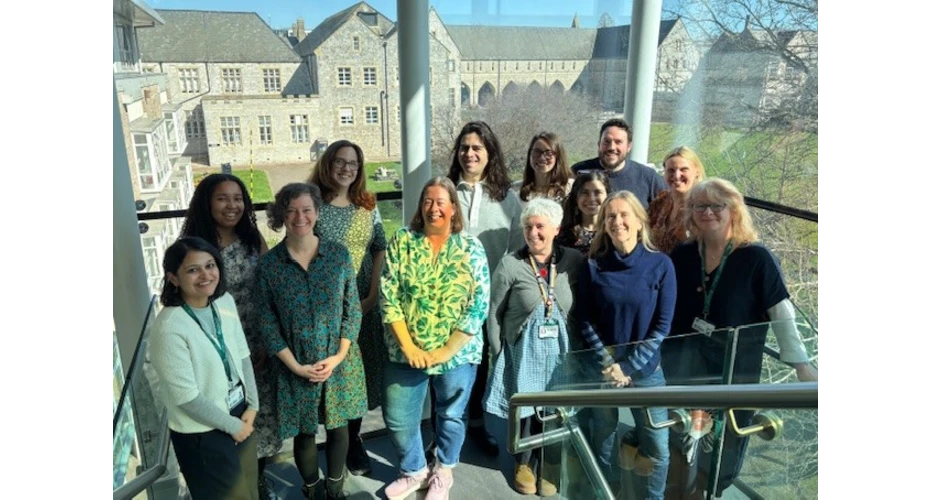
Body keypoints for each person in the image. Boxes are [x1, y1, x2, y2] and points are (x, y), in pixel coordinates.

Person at [665, 178, 818, 498]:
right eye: (699, 206)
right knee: (680, 455)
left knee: (719, 458)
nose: (708, 212)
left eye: (716, 205)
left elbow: (782, 315)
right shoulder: (683, 254)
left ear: (733, 210)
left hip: (734, 376)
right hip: (685, 371)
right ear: (690, 212)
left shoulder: (756, 259)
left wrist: (804, 369)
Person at [380, 176, 490, 500]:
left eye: (441, 202)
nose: (433, 208)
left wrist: (446, 350)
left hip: (456, 354)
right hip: (405, 352)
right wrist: (408, 346)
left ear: (454, 209)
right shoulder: (402, 240)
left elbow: (478, 304)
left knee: (452, 414)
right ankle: (414, 470)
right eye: (428, 201)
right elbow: (389, 297)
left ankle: (443, 471)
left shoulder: (471, 247)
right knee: (399, 417)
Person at [255, 183, 366, 500]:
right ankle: (313, 491)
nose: (299, 217)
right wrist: (295, 366)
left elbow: (352, 309)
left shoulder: (338, 255)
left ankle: (335, 488)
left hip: (337, 360)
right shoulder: (270, 265)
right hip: (294, 364)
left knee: (338, 427)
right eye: (290, 210)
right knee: (303, 432)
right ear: (280, 215)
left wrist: (338, 356)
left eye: (306, 209)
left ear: (317, 213)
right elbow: (267, 320)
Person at [179, 173, 281, 499]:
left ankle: (257, 480)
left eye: (238, 198)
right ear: (207, 202)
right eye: (223, 198)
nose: (232, 205)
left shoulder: (253, 240)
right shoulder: (191, 247)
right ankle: (235, 485)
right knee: (224, 417)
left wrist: (268, 340)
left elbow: (269, 291)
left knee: (259, 417)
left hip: (255, 342)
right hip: (216, 349)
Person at [575, 191, 677, 500]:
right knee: (602, 435)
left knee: (658, 443)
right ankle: (606, 489)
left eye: (623, 215)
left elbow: (662, 326)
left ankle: (653, 497)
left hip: (646, 371)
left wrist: (629, 366)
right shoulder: (594, 266)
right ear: (604, 224)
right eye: (610, 216)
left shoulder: (661, 265)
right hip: (605, 370)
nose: (617, 221)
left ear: (638, 221)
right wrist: (609, 362)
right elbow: (585, 319)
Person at [483, 198, 585, 497]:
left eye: (540, 226)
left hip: (560, 350)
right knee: (525, 409)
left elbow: (582, 304)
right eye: (528, 227)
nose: (533, 232)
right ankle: (524, 463)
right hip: (522, 349)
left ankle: (549, 464)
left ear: (556, 228)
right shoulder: (511, 263)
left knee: (555, 409)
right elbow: (494, 311)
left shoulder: (573, 261)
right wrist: (497, 349)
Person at [146, 237, 259, 500]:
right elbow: (186, 397)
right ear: (174, 278)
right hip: (203, 433)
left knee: (251, 492)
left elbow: (242, 354)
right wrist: (232, 426)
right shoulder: (169, 328)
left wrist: (252, 406)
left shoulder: (224, 301)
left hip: (239, 412)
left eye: (210, 265)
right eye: (193, 270)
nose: (206, 275)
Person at [309, 140, 387, 477]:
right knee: (334, 377)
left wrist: (371, 296)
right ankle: (335, 440)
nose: (346, 168)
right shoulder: (312, 203)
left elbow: (380, 248)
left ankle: (353, 439)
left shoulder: (367, 204)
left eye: (353, 163)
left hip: (364, 302)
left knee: (362, 375)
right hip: (327, 307)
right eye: (340, 162)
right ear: (328, 164)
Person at [447, 120, 523, 455]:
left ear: (490, 153)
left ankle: (476, 423)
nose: (470, 154)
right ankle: (445, 427)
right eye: (464, 147)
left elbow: (517, 250)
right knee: (447, 364)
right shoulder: (444, 191)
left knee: (481, 364)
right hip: (447, 300)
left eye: (477, 147)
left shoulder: (508, 200)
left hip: (490, 299)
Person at [570, 118, 666, 208]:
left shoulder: (648, 178)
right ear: (599, 144)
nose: (611, 147)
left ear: (629, 146)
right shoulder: (579, 171)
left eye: (618, 142)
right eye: (606, 141)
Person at [647, 146, 706, 254]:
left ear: (697, 172)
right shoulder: (661, 200)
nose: (677, 176)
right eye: (671, 170)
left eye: (684, 169)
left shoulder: (703, 207)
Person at [555, 171, 613, 255]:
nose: (591, 199)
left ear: (608, 196)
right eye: (585, 193)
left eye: (597, 193)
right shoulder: (562, 235)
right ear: (576, 198)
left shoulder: (613, 233)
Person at [515, 131, 575, 205]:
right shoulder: (515, 190)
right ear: (530, 155)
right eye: (537, 152)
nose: (542, 158)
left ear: (558, 157)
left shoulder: (571, 188)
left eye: (548, 153)